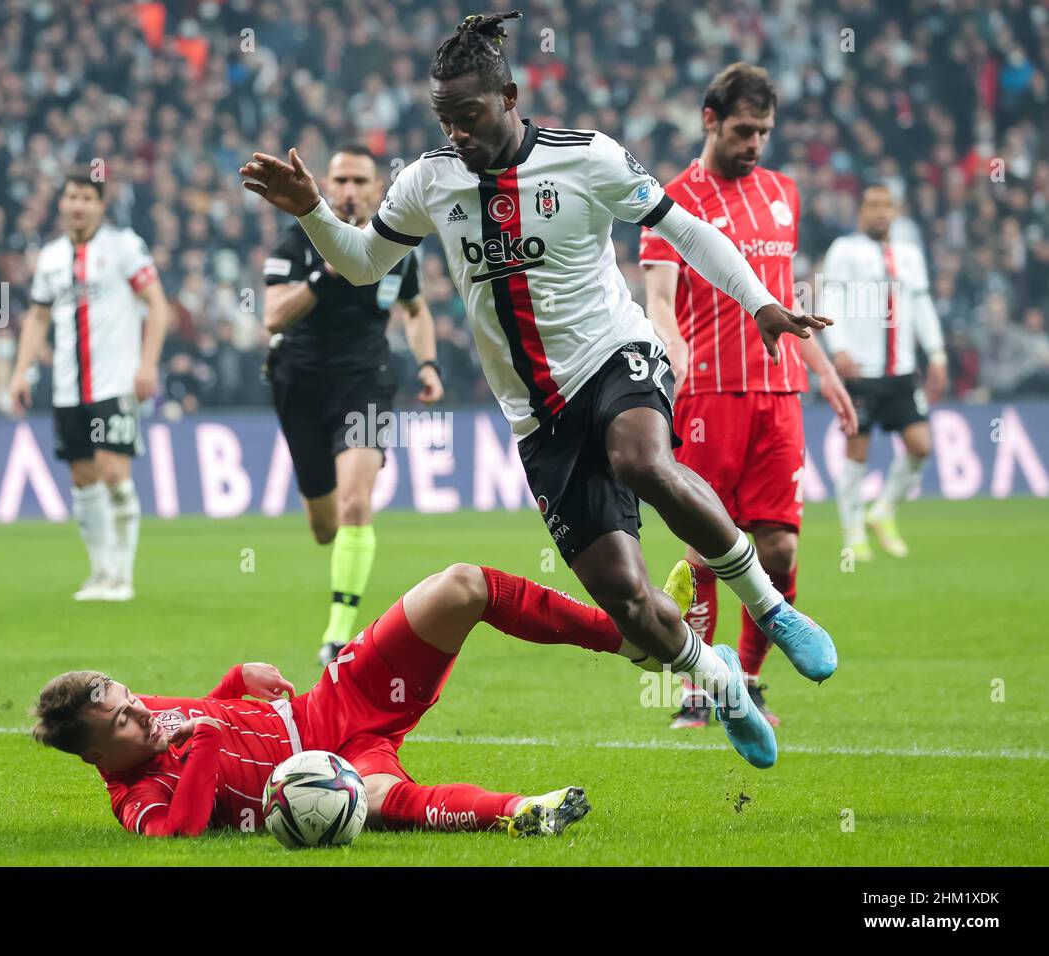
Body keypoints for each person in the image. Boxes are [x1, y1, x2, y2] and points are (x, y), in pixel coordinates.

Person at [240, 11, 841, 769]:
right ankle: (715, 680)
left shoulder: (586, 157)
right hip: (537, 417)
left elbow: (685, 229)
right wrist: (312, 212)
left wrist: (760, 303)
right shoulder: (429, 180)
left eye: (470, 113)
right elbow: (363, 264)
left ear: (511, 95)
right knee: (626, 602)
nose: (456, 130)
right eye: (443, 118)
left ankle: (772, 607)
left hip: (613, 354)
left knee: (639, 460)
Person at [31, 561, 706, 837]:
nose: (141, 712)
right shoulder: (137, 800)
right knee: (383, 803)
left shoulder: (144, 717)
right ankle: (522, 813)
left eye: (130, 697)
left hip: (332, 701)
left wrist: (236, 681)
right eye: (121, 718)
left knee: (461, 586)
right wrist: (206, 740)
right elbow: (177, 830)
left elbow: (205, 710)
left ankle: (637, 639)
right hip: (334, 770)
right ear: (94, 753)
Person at [638, 63, 857, 729]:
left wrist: (823, 369)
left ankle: (751, 680)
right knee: (706, 546)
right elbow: (658, 296)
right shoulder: (672, 198)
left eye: (763, 131)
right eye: (742, 130)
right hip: (709, 392)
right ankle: (703, 688)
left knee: (781, 549)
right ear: (710, 120)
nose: (754, 143)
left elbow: (783, 301)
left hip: (779, 391)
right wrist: (669, 349)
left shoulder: (783, 194)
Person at [262, 145, 444, 666]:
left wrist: (427, 363)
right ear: (326, 184)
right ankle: (342, 568)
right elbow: (273, 317)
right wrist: (327, 274)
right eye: (339, 179)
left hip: (365, 383)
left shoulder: (395, 246)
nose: (347, 191)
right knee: (326, 527)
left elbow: (415, 310)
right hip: (299, 384)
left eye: (359, 181)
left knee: (356, 504)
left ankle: (337, 636)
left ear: (375, 190)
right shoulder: (296, 240)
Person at [8, 170, 171, 601]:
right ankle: (100, 572)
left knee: (114, 471)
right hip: (67, 387)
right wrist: (21, 370)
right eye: (71, 197)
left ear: (101, 205)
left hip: (115, 383)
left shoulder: (124, 247)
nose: (78, 205)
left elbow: (157, 305)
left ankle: (122, 576)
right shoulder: (50, 257)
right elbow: (38, 317)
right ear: (61, 204)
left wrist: (148, 364)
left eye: (87, 197)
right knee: (83, 478)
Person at [822, 183, 947, 560]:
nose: (880, 212)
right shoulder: (844, 250)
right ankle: (854, 533)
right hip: (862, 370)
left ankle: (883, 511)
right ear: (860, 211)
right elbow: (830, 297)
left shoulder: (908, 254)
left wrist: (937, 352)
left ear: (894, 211)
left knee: (920, 446)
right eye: (873, 205)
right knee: (857, 452)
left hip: (902, 371)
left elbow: (921, 304)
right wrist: (838, 347)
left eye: (886, 205)